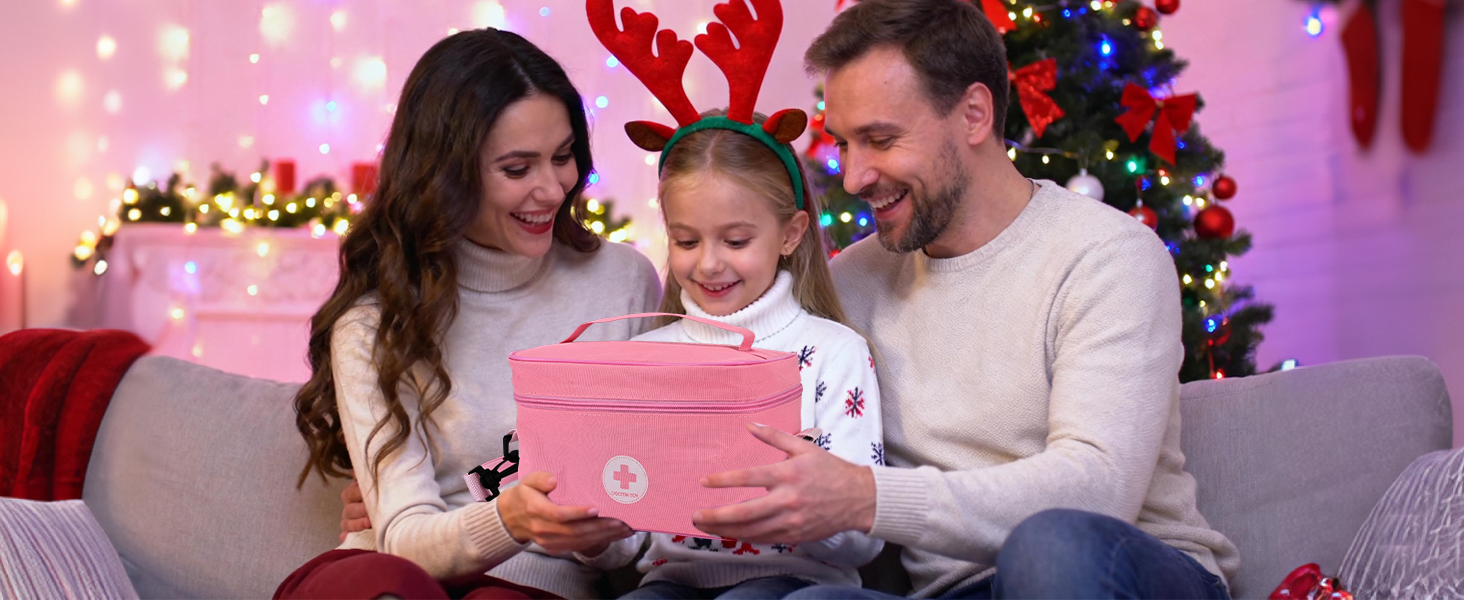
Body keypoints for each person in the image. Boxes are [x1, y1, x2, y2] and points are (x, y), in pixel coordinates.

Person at [689, 1, 1240, 598]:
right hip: (955, 592)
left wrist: (868, 497)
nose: (853, 177)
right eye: (844, 144)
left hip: (1118, 570)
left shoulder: (1108, 256)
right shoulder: (851, 283)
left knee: (1050, 548)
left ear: (974, 114)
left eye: (880, 139)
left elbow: (1098, 489)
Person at [278, 28, 658, 600]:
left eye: (563, 157)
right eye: (516, 169)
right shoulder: (373, 321)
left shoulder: (622, 283)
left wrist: (596, 534)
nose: (553, 189)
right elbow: (402, 537)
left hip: (536, 585)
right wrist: (509, 518)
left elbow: (648, 507)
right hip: (390, 576)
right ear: (446, 173)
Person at [573, 108, 885, 600]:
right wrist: (591, 533)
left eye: (736, 240)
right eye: (686, 241)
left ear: (791, 233)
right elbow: (626, 537)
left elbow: (864, 537)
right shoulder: (642, 358)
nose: (710, 263)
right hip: (669, 584)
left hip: (795, 584)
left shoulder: (836, 352)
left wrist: (802, 504)